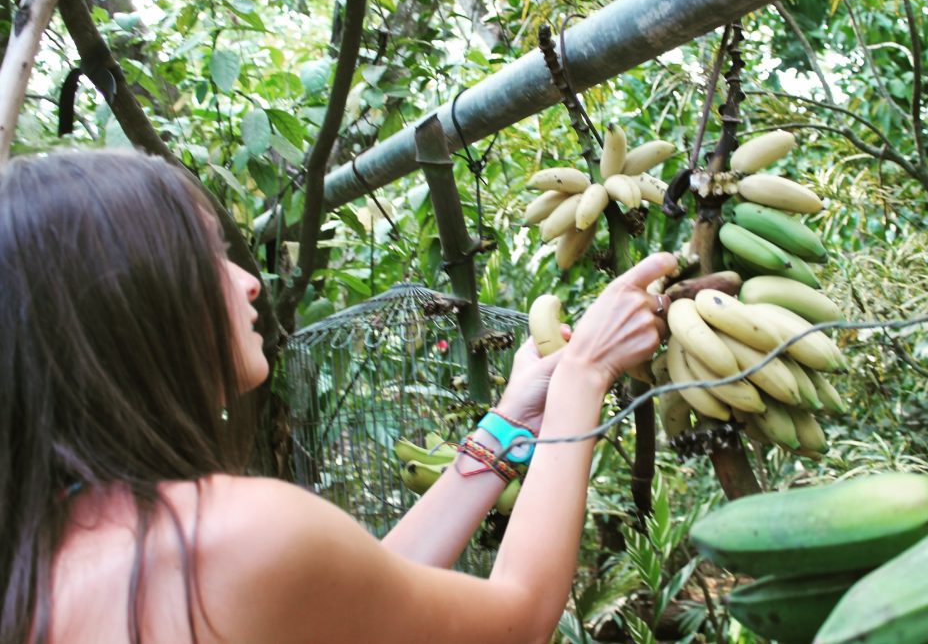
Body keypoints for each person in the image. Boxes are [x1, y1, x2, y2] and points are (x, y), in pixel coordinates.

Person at [0, 148, 676, 644]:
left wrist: (511, 418)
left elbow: (373, 580)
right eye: (207, 255)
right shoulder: (230, 533)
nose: (248, 282)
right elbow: (518, 616)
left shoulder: (48, 554)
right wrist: (584, 375)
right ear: (132, 298)